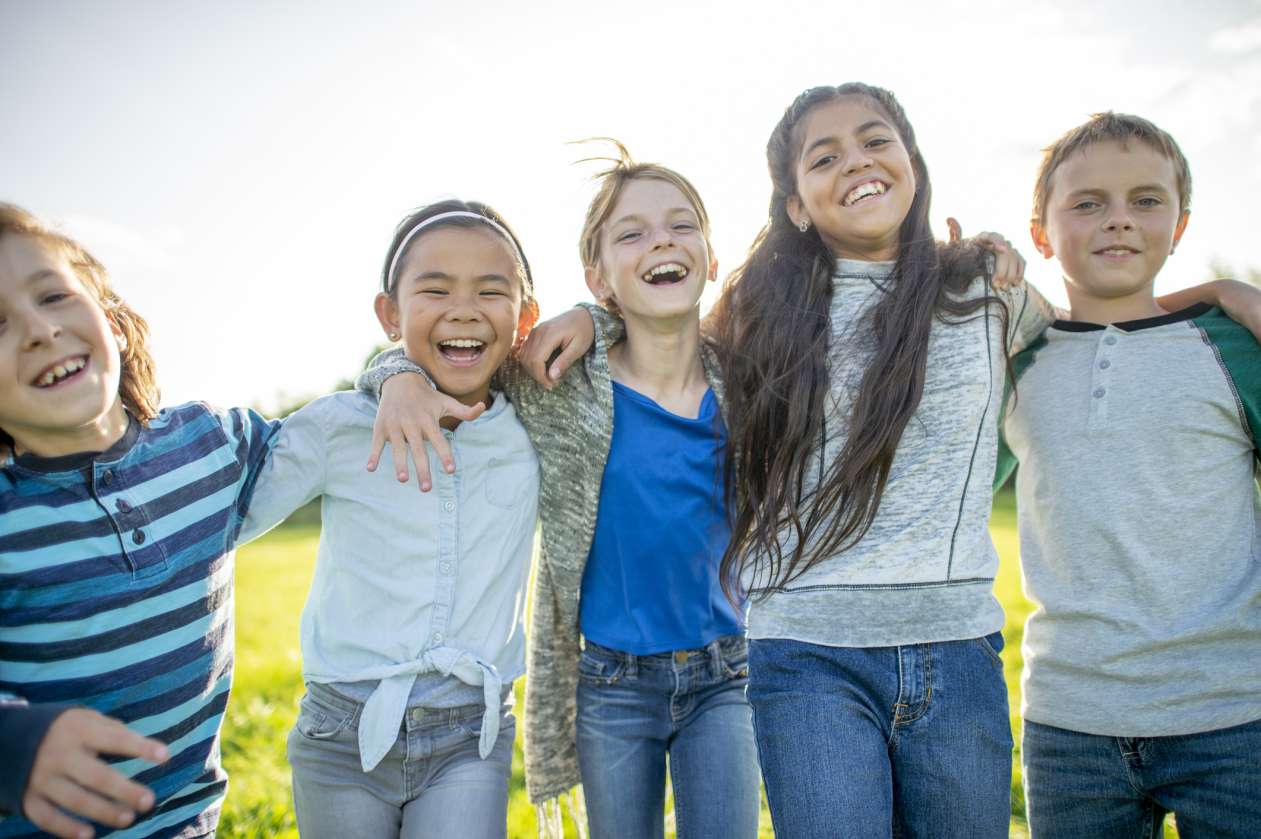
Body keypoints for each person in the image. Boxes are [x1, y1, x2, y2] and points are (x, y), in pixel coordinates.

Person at [359, 146, 761, 839]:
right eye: (630, 233)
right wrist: (392, 374)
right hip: (610, 683)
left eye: (680, 225)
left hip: (728, 674)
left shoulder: (747, 380)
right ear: (597, 277)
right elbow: (444, 350)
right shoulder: (555, 382)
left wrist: (589, 314)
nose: (660, 240)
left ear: (711, 255)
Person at [236, 200, 540, 839]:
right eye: (435, 290)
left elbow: (624, 351)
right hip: (342, 731)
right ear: (390, 314)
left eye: (491, 291)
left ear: (524, 318)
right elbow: (230, 517)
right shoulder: (341, 426)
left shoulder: (537, 430)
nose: (463, 308)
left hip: (469, 735)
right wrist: (392, 372)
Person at [996, 112, 1261, 838]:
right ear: (1041, 232)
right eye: (1087, 203)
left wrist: (1241, 298)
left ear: (1178, 225)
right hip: (1069, 720)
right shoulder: (1016, 361)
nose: (1118, 221)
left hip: (1232, 713)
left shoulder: (1230, 345)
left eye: (1145, 200)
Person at [0, 203, 279, 839]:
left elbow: (334, 434)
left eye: (54, 296)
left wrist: (396, 374)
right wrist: (12, 744)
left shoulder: (210, 443)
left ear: (114, 323)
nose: (40, 331)